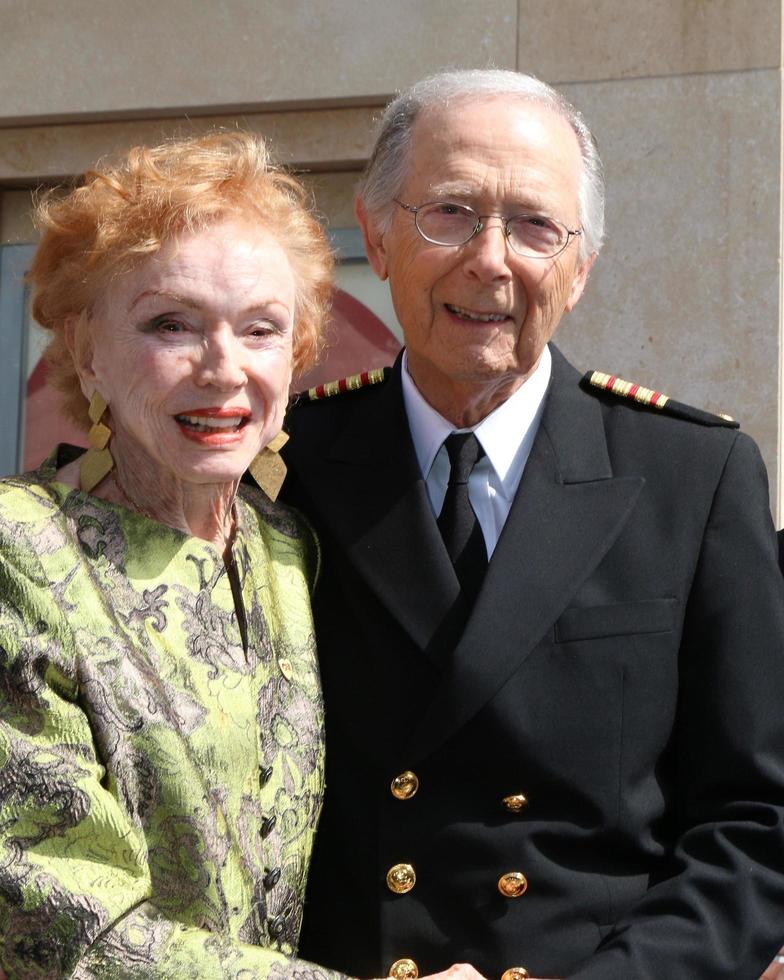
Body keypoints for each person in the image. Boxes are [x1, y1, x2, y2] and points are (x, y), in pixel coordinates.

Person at [283, 70, 784, 980]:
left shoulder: (692, 476)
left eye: (536, 227)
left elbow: (756, 823)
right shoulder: (286, 469)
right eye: (450, 212)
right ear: (378, 235)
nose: (491, 258)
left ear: (581, 268)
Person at [0, 132, 345, 979]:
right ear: (86, 352)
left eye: (261, 329)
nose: (224, 369)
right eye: (171, 325)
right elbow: (62, 926)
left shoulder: (287, 551)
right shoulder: (18, 551)